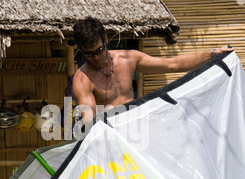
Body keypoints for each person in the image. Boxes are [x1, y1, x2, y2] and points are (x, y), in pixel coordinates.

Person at [72, 16, 233, 126]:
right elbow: (89, 120)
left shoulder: (128, 59)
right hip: (111, 136)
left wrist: (212, 54)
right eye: (89, 54)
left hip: (137, 127)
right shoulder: (82, 79)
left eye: (99, 50)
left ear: (106, 39)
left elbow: (173, 64)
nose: (96, 57)